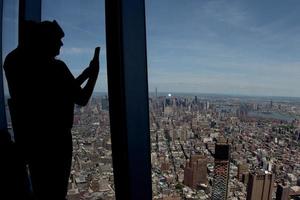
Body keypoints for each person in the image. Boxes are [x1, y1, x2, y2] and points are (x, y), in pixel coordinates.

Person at [4, 20, 100, 200]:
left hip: (32, 139)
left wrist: (86, 73)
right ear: (45, 40)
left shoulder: (16, 64)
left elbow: (61, 91)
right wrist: (94, 75)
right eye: (58, 39)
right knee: (56, 191)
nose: (61, 44)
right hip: (57, 141)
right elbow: (81, 98)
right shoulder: (56, 67)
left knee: (42, 188)